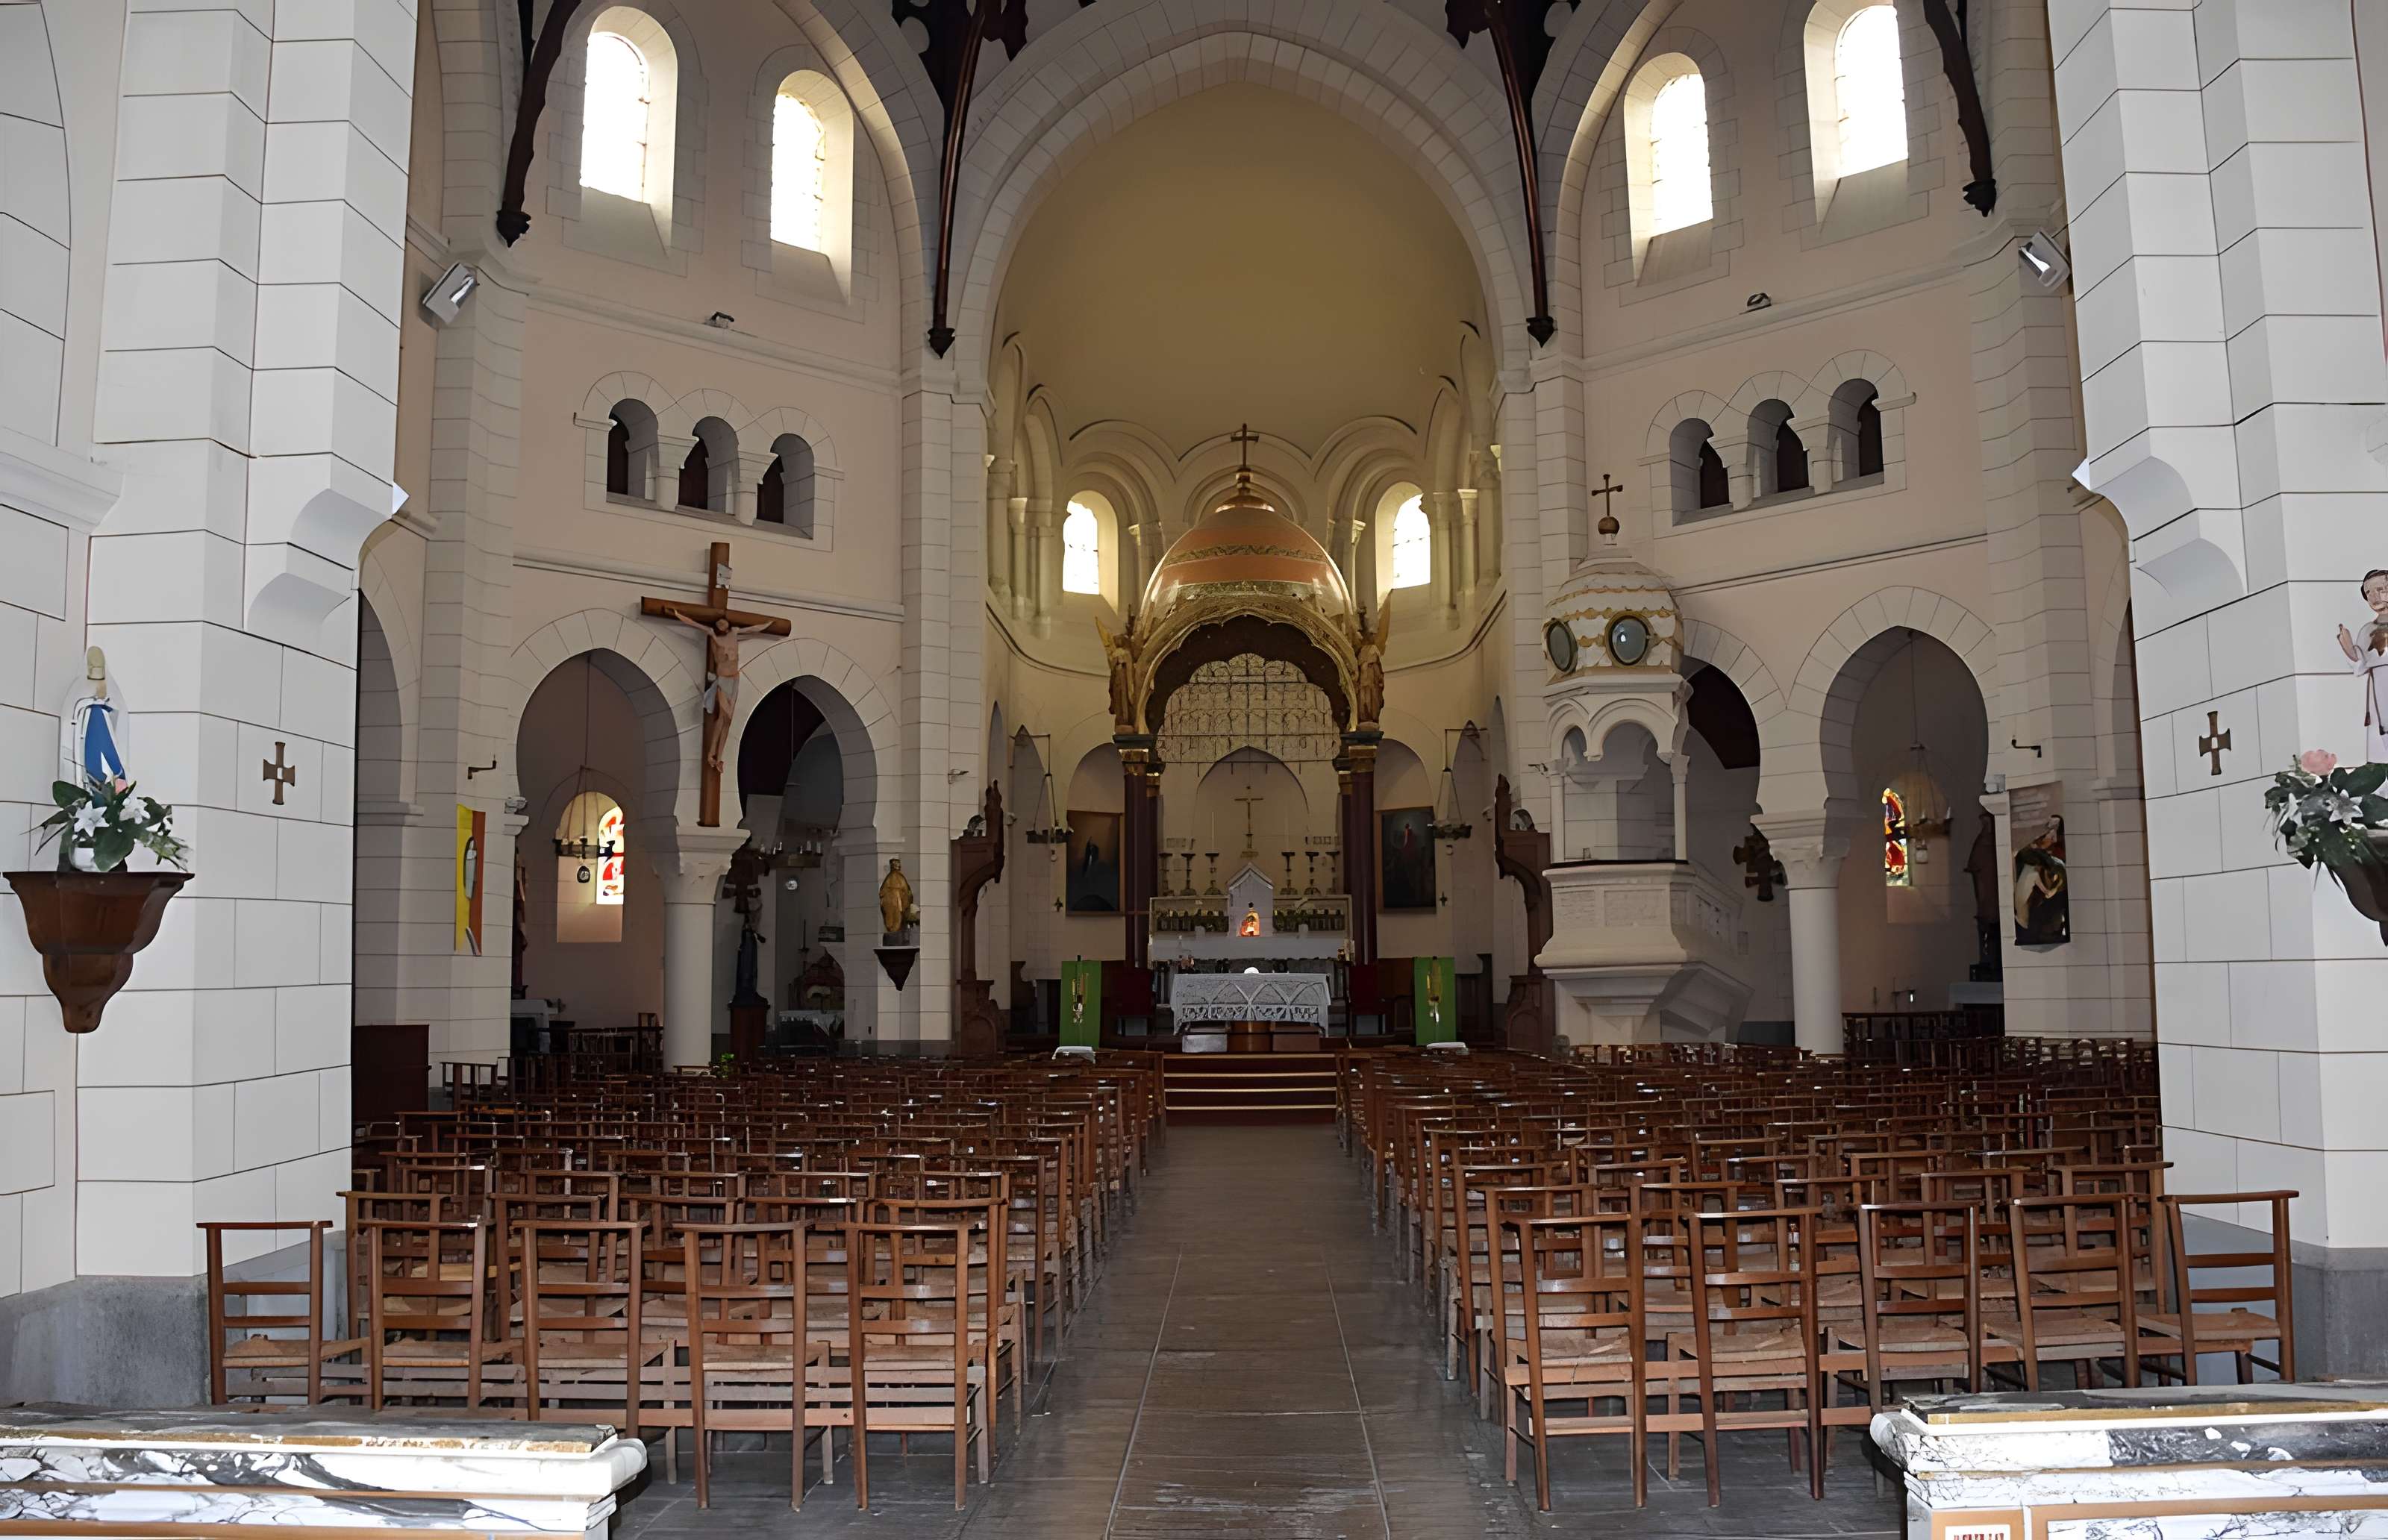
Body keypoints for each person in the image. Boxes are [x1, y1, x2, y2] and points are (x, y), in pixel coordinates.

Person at [2336, 568, 2388, 763]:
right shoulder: (2368, 630)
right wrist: (2349, 647)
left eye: (2380, 589)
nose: (2374, 597)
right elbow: (2361, 666)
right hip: (2380, 692)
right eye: (2368, 593)